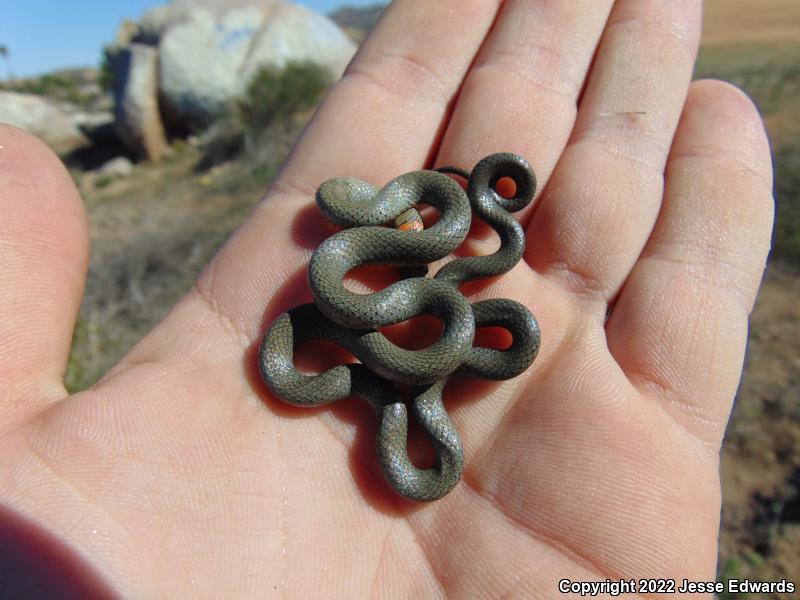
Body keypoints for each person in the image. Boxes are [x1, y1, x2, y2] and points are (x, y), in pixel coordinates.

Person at [0, 1, 774, 597]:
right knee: (388, 361)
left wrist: (448, 287)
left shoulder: (427, 250)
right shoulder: (369, 275)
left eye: (347, 214)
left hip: (437, 296)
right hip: (417, 312)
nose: (336, 219)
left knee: (421, 342)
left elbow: (433, 293)